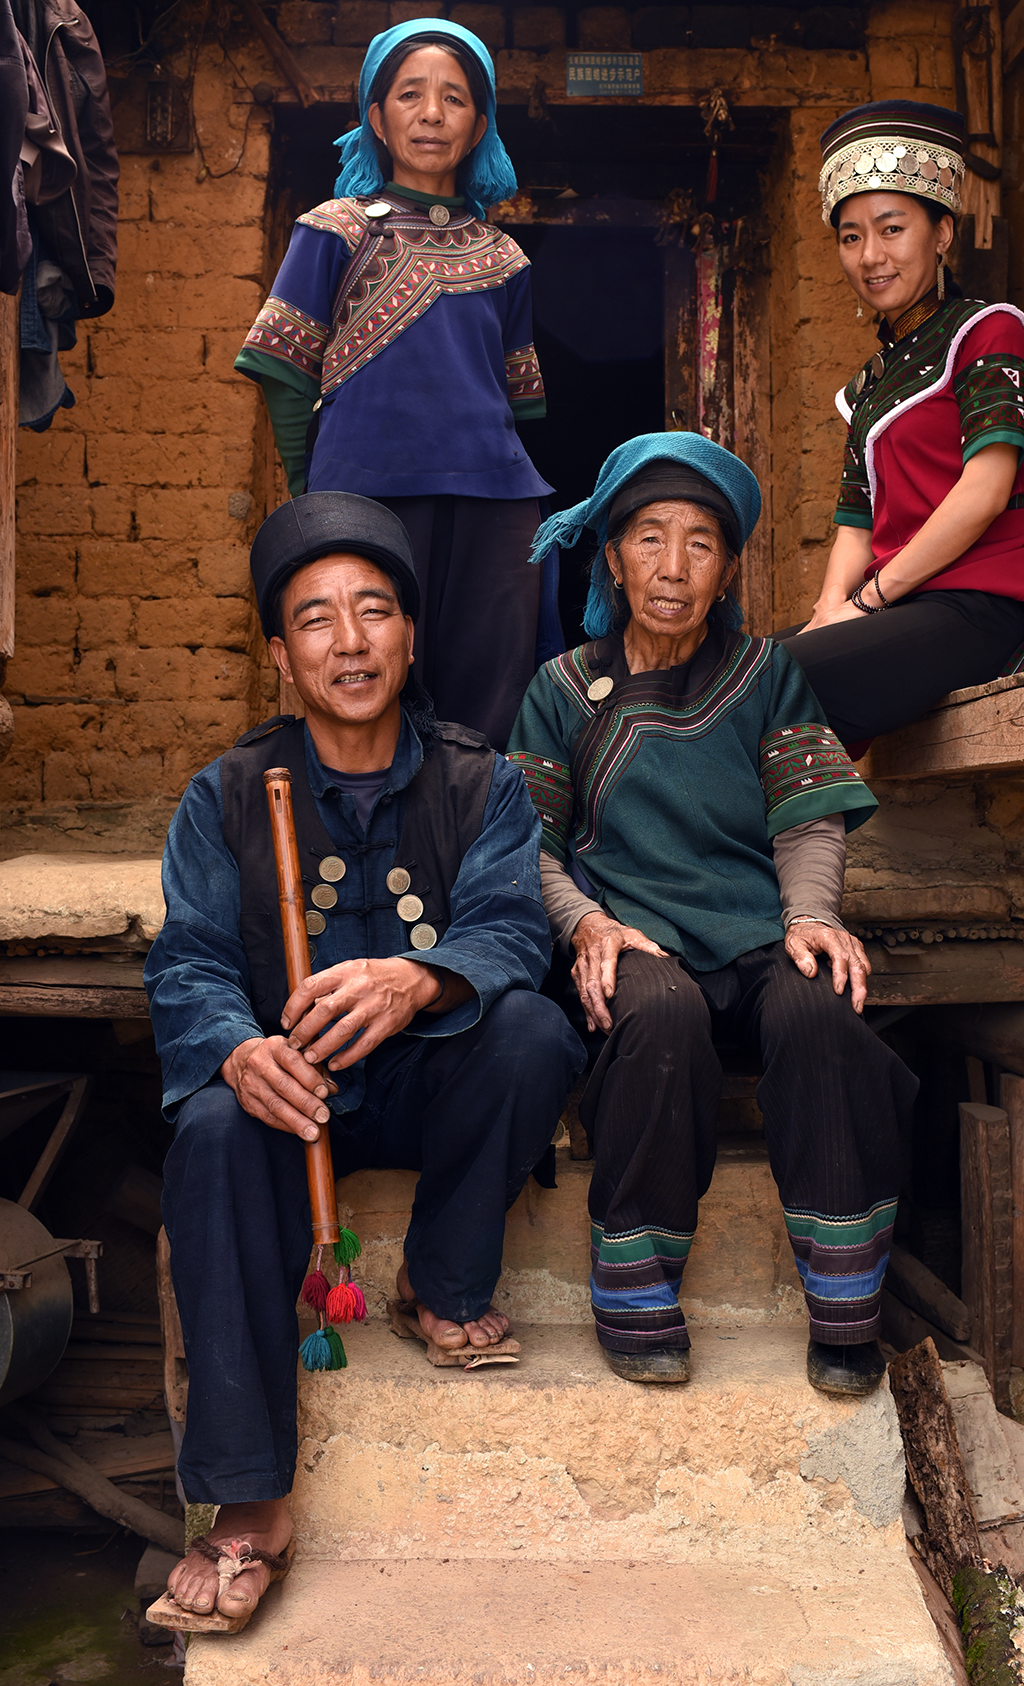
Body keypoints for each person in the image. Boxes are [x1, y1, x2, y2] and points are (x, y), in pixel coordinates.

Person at [143, 492, 584, 1632]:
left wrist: (420, 980)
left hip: (425, 1080)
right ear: (280, 656)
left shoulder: (479, 781)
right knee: (202, 1127)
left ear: (411, 634)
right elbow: (186, 958)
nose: (350, 641)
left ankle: (438, 1286)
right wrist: (238, 1051)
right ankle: (248, 1505)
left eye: (374, 611)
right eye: (317, 620)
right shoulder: (226, 794)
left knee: (535, 1029)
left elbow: (510, 929)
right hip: (293, 1106)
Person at [508, 432, 917, 1395]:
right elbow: (527, 847)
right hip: (634, 933)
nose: (672, 566)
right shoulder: (562, 689)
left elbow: (807, 817)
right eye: (649, 538)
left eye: (700, 542)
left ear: (728, 566)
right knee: (660, 1016)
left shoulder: (766, 674)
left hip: (755, 929)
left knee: (821, 1010)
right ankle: (635, 1286)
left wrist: (812, 917)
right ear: (611, 556)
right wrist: (586, 926)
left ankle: (847, 1303)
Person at [235, 18, 559, 750]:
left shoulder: (503, 255)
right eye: (410, 95)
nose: (432, 113)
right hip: (367, 496)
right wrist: (313, 496)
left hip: (496, 503)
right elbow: (284, 375)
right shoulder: (335, 230)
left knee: (493, 685)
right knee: (373, 678)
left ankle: (481, 839)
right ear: (376, 117)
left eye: (454, 98)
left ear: (480, 126)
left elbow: (517, 402)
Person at [776, 100, 1024, 755]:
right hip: (904, 608)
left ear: (941, 232)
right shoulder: (869, 382)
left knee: (778, 682)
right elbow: (855, 518)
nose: (869, 256)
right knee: (726, 681)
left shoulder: (987, 331)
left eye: (890, 229)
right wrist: (829, 610)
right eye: (850, 236)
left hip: (986, 602)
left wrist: (872, 599)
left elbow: (985, 490)